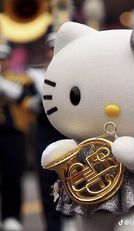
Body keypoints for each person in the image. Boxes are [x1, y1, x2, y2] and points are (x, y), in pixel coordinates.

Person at [27, 33, 76, 231]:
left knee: (73, 177)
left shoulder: (75, 73)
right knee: (47, 179)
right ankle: (52, 225)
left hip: (69, 132)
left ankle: (71, 219)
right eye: (51, 49)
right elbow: (27, 103)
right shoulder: (35, 77)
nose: (54, 52)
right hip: (45, 134)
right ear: (47, 52)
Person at [0, 43, 36, 231]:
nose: (0, 63)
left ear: (8, 60)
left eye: (2, 59)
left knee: (12, 177)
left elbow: (23, 97)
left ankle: (12, 218)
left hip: (13, 134)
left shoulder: (20, 79)